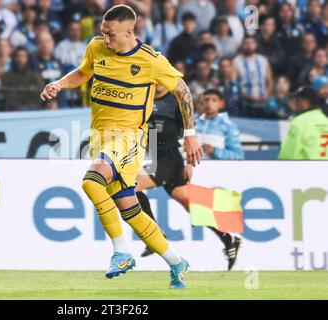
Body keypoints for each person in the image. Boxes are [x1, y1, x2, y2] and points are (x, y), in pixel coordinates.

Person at [40, 5, 202, 289]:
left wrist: (190, 133)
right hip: (100, 138)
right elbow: (82, 73)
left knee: (91, 183)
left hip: (129, 138)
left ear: (130, 31)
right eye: (103, 33)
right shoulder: (97, 47)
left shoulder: (151, 60)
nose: (105, 39)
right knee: (130, 208)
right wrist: (59, 84)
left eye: (111, 34)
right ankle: (176, 262)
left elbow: (183, 91)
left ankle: (121, 251)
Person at [135, 86, 242, 270]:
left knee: (131, 187)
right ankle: (229, 238)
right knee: (189, 204)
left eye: (162, 79)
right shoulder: (143, 98)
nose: (158, 83)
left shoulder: (176, 102)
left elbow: (190, 133)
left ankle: (155, 236)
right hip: (153, 157)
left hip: (169, 158)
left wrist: (189, 162)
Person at [278, 86, 328, 160]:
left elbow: (287, 155)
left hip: (308, 169)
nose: (294, 103)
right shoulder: (325, 120)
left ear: (305, 102)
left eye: (297, 100)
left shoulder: (299, 122)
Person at [196, 89, 244, 160]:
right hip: (190, 168)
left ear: (221, 104)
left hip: (216, 169)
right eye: (206, 100)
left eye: (214, 100)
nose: (209, 103)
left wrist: (214, 150)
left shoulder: (228, 126)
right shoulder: (192, 122)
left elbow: (238, 156)